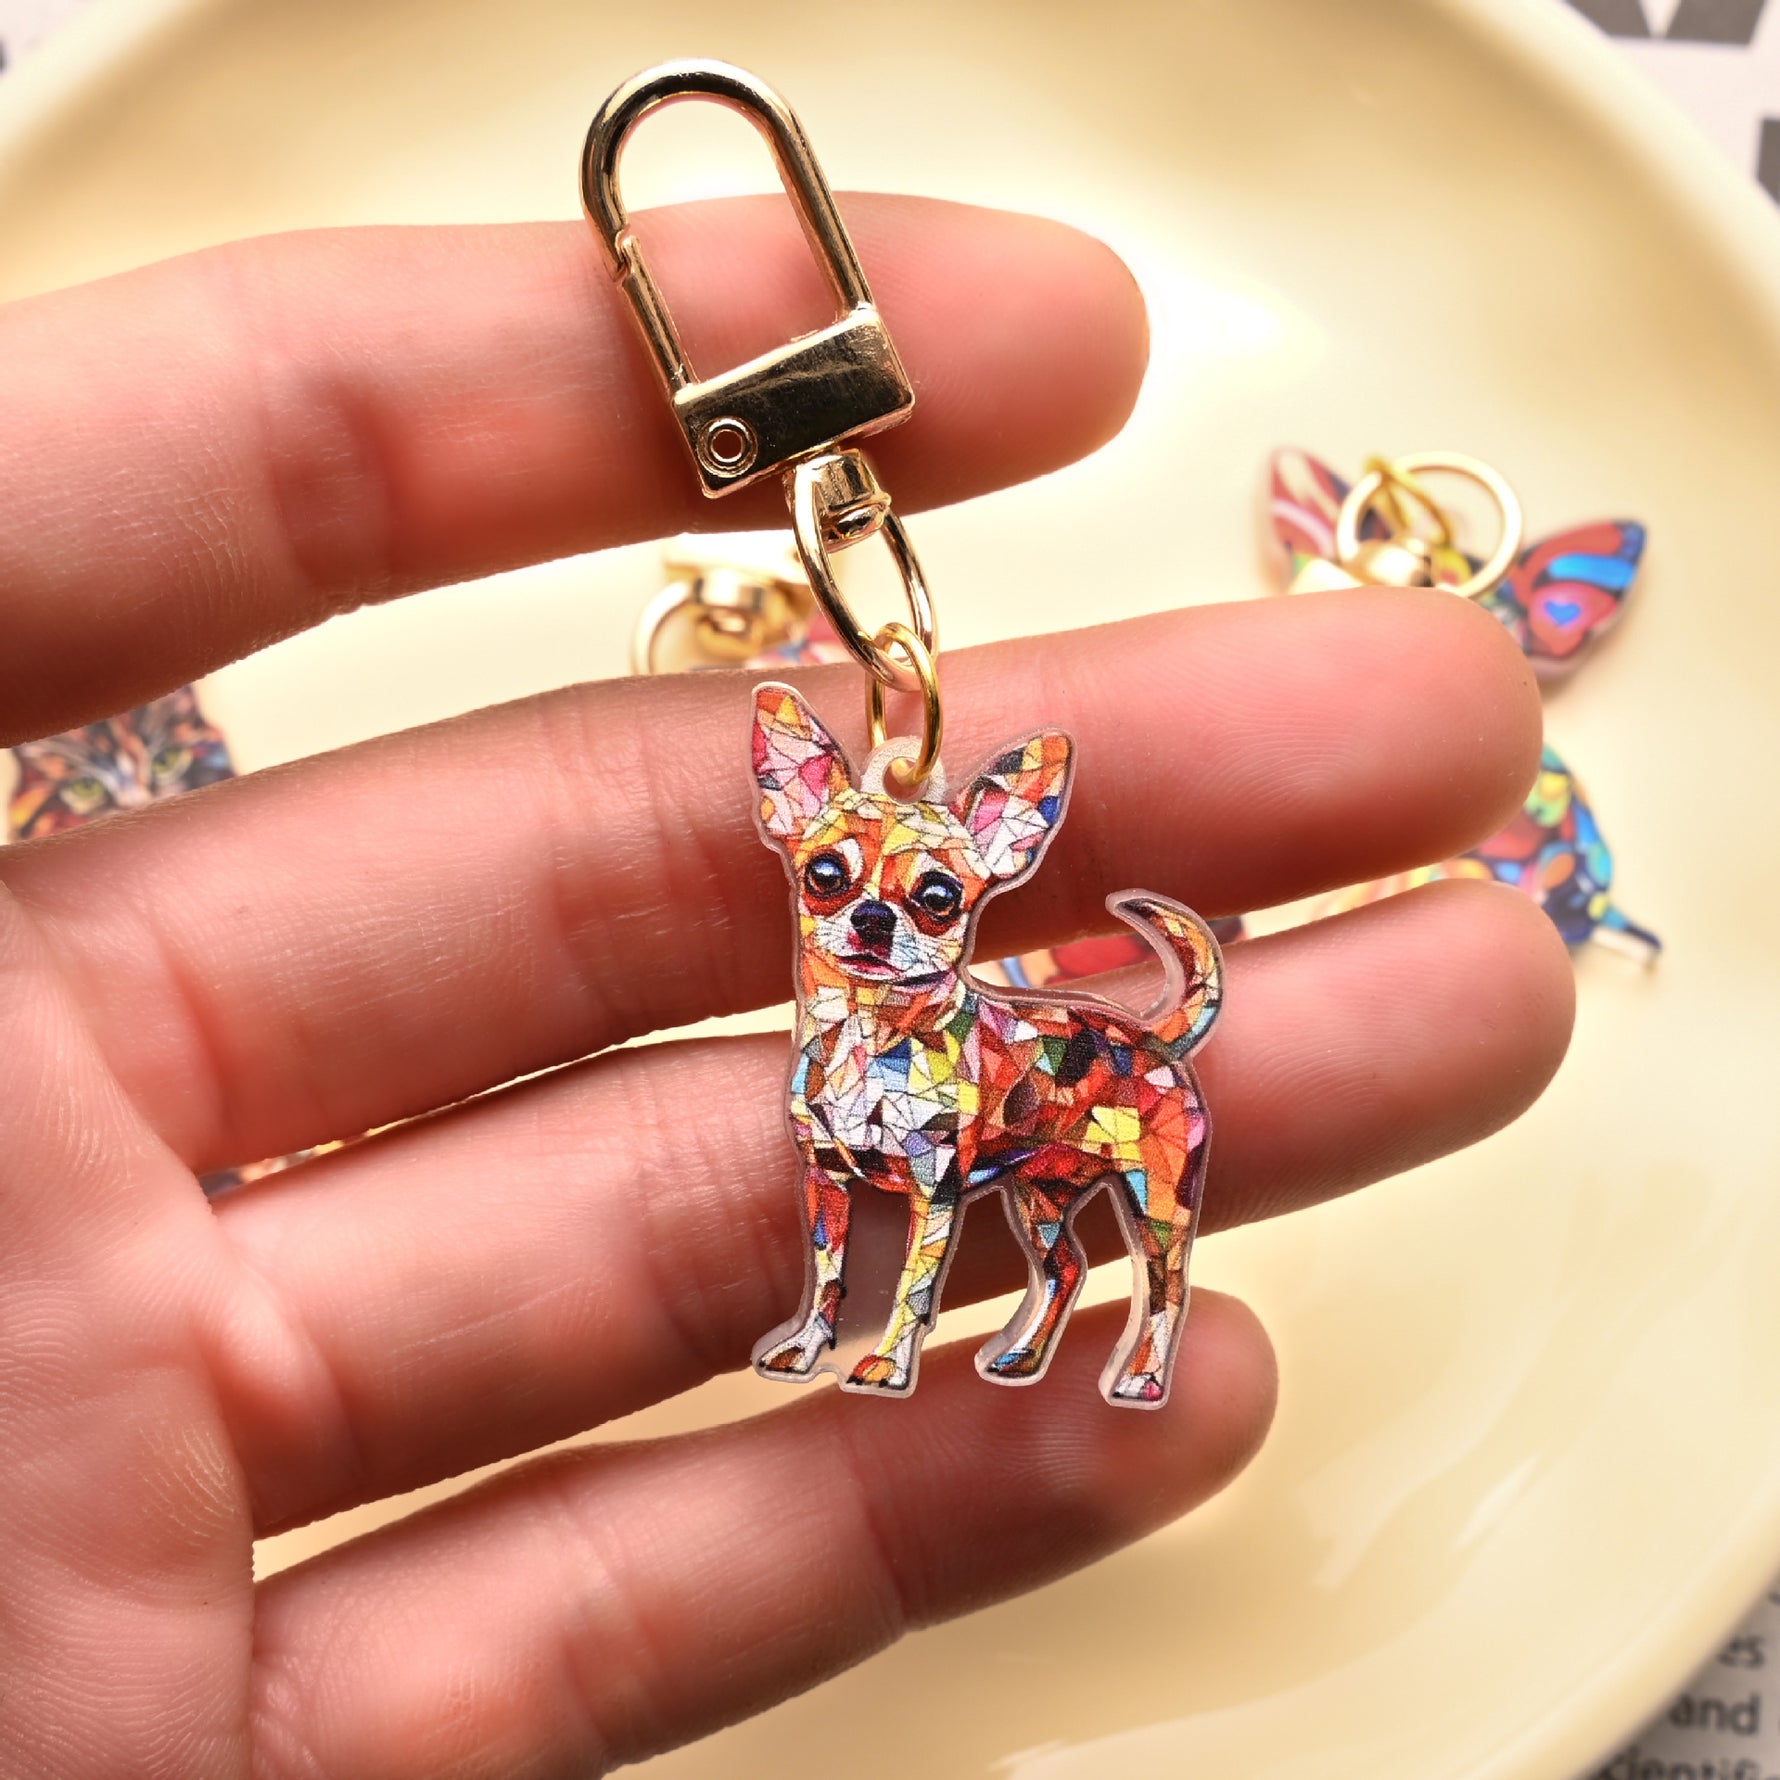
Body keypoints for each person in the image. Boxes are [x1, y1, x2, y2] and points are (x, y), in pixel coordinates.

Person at [0, 194, 1572, 1777]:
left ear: (1004, 855)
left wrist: (906, 1323)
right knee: (925, 1203)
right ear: (789, 818)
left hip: (1081, 1085)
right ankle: (870, 1313)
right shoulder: (828, 1020)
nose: (875, 918)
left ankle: (1124, 1321)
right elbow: (840, 1184)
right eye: (832, 882)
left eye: (931, 895)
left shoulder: (1011, 994)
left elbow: (932, 1191)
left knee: (1106, 1222)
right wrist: (830, 1302)